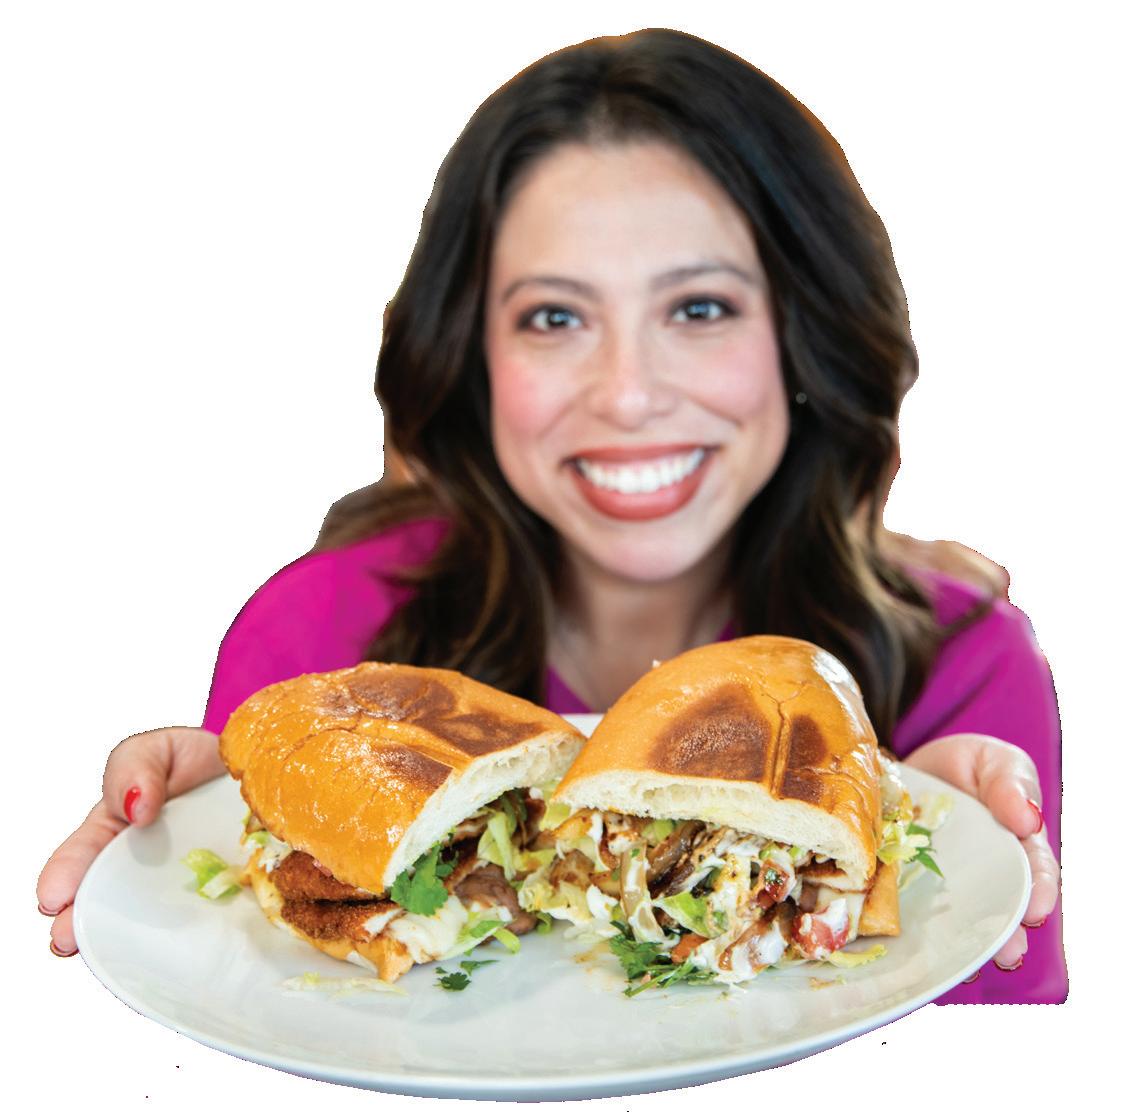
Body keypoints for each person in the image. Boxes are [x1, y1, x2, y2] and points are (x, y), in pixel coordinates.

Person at [35, 28, 1064, 1004]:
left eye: (699, 307)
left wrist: (937, 881)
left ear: (805, 333)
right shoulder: (314, 634)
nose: (627, 394)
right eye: (555, 317)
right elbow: (253, 1025)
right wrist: (176, 861)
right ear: (470, 355)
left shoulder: (966, 665)